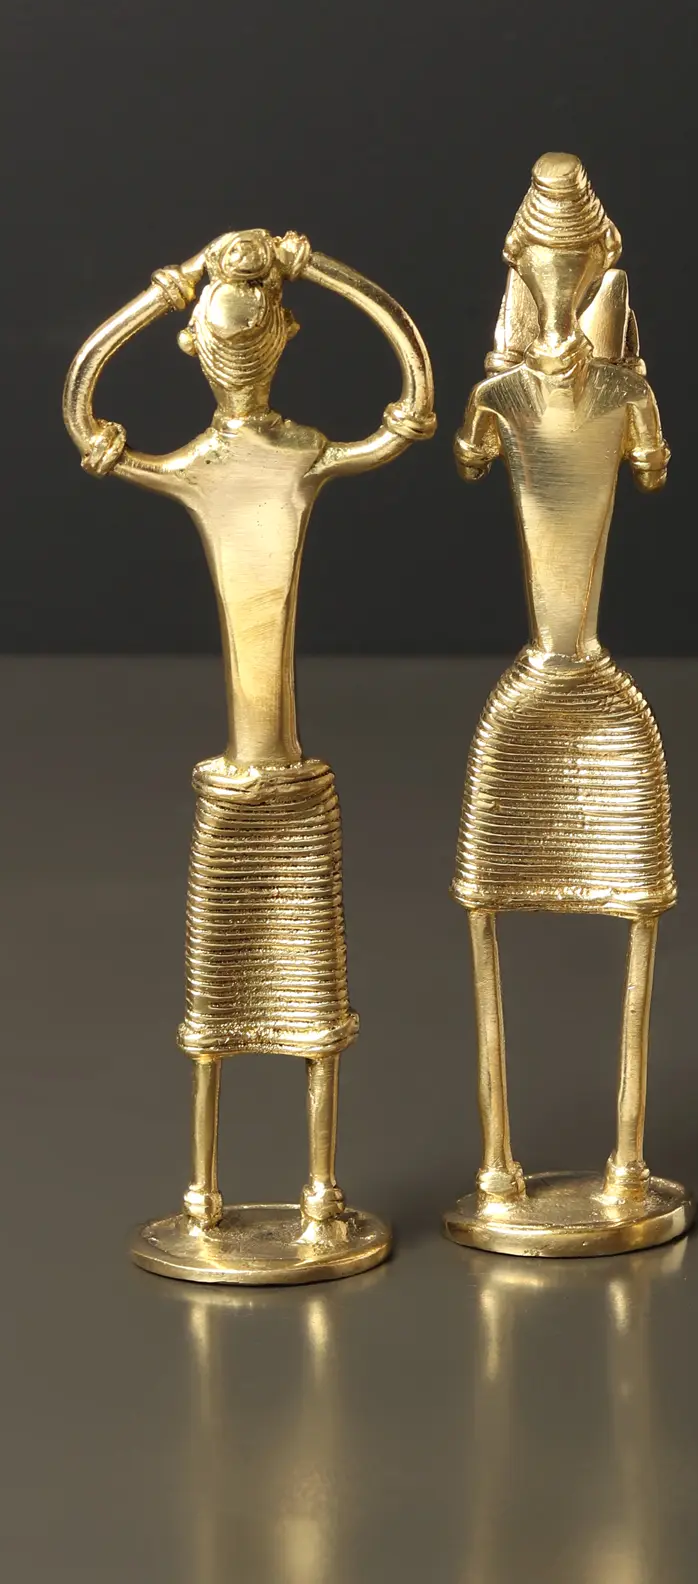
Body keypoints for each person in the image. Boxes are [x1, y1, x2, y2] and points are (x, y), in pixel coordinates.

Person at [63, 227, 435, 1280]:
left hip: (275, 783)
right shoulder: (218, 463)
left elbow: (414, 399)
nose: (237, 357)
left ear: (278, 337)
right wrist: (219, 277)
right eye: (223, 341)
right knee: (227, 1010)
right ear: (205, 346)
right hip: (248, 783)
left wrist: (223, 279)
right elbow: (83, 408)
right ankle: (230, 1198)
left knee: (293, 1010)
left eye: (248, 337)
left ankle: (299, 1195)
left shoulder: (275, 456)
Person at [445, 154, 691, 1257]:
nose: (558, 273)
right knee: (488, 908)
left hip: (600, 696)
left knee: (635, 908)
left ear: (601, 265)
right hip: (531, 697)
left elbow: (651, 464)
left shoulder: (628, 393)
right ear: (521, 265)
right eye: (545, 258)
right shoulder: (497, 396)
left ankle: (628, 1161)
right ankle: (497, 1162)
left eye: (577, 258)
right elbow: (464, 444)